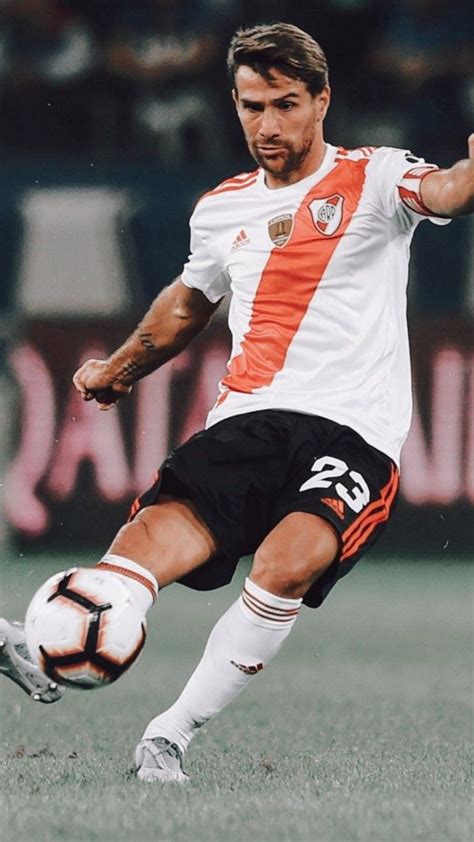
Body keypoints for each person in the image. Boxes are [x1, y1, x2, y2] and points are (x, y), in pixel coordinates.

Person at [1, 22, 473, 783]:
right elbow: (189, 304)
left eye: (286, 104)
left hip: (352, 433)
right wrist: (120, 368)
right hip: (246, 421)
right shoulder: (221, 209)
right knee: (140, 556)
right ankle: (38, 641)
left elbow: (450, 188)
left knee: (289, 562)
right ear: (235, 103)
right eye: (253, 106)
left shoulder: (378, 176)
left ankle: (168, 735)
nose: (268, 125)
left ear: (322, 101)